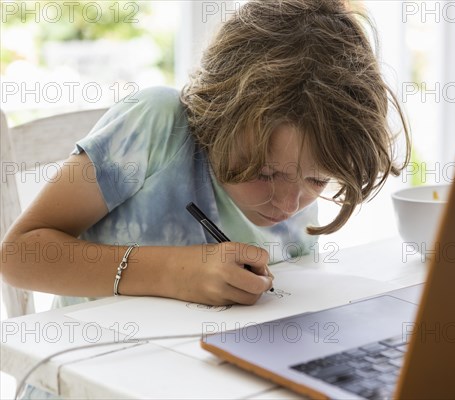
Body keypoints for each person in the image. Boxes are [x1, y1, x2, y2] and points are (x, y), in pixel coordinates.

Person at [1, 0, 409, 311]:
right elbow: (19, 254)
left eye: (318, 181)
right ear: (214, 122)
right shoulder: (158, 125)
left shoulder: (297, 171)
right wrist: (173, 272)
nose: (288, 204)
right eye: (265, 174)